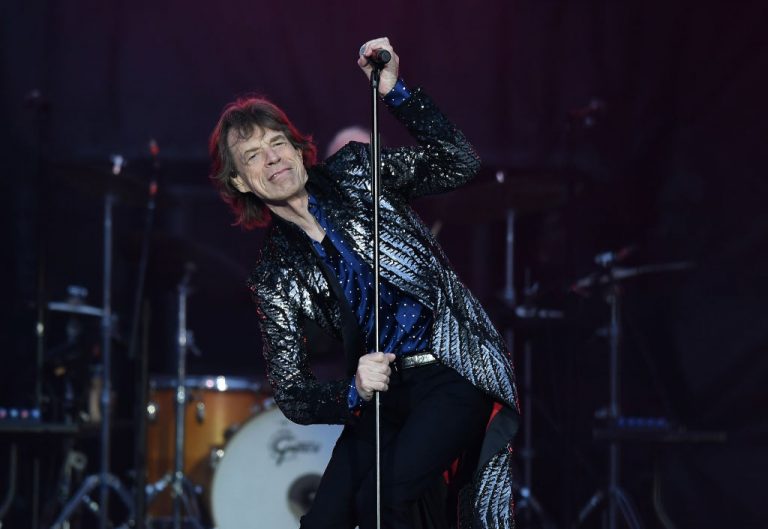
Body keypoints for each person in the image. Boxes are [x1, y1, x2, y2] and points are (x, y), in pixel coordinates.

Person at [208, 37, 519, 529]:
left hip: (452, 370)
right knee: (324, 520)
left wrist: (395, 90)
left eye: (277, 143)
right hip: (382, 394)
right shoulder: (274, 272)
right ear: (241, 182)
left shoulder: (357, 172)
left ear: (298, 149)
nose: (272, 159)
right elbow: (292, 392)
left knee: (384, 499)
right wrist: (353, 389)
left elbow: (459, 161)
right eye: (252, 155)